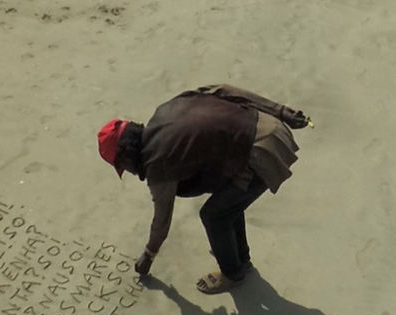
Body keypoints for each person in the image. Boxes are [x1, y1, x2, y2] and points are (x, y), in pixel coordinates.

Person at [96, 84, 311, 294]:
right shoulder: (167, 109)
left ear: (126, 155)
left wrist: (148, 255)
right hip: (268, 125)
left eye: (122, 165)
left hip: (263, 153)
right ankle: (240, 258)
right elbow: (227, 91)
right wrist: (281, 111)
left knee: (214, 216)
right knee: (227, 204)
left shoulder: (157, 162)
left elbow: (162, 219)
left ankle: (232, 273)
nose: (129, 171)